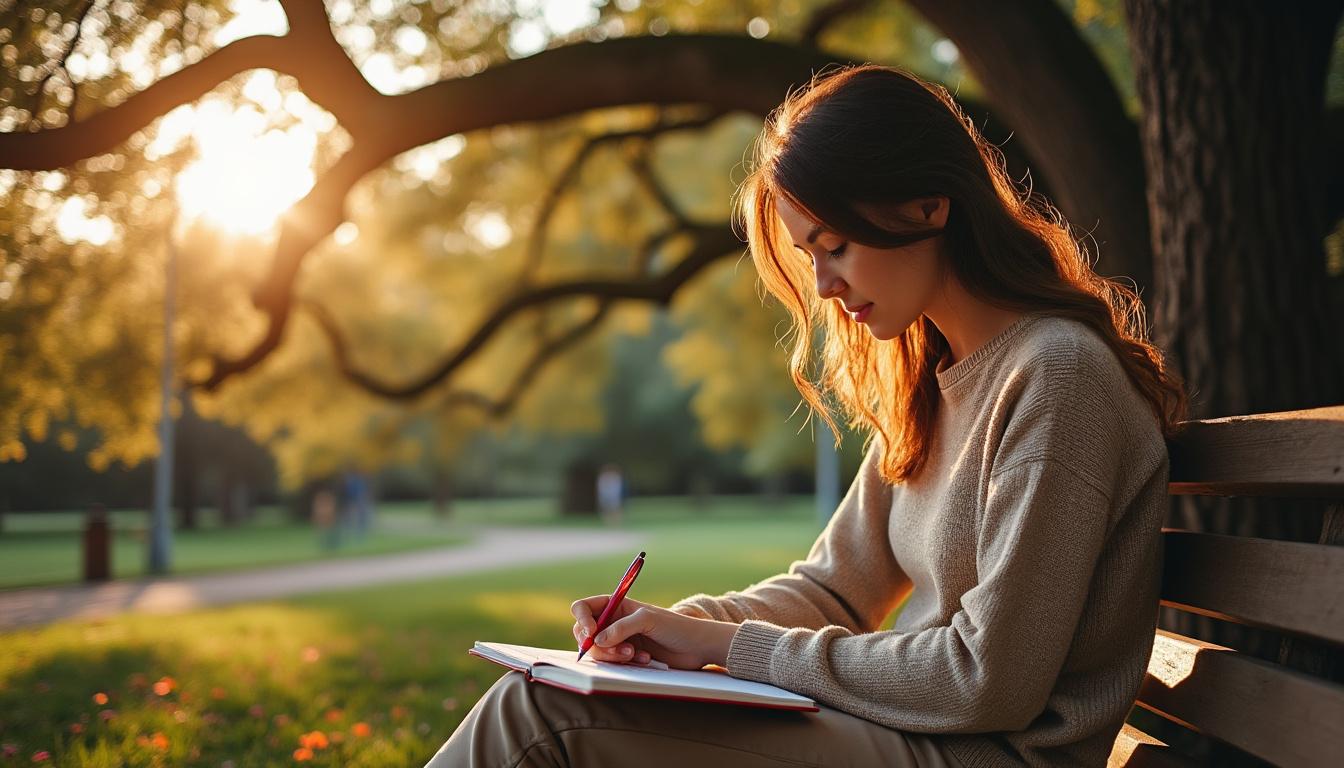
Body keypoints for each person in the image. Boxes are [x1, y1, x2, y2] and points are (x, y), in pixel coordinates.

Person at [424, 64, 1187, 768]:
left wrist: (723, 645)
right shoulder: (934, 379)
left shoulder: (1057, 376)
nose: (822, 285)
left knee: (543, 716)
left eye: (837, 246)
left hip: (987, 755)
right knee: (554, 698)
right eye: (809, 254)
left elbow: (986, 681)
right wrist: (666, 627)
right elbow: (834, 592)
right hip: (915, 738)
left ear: (928, 203)